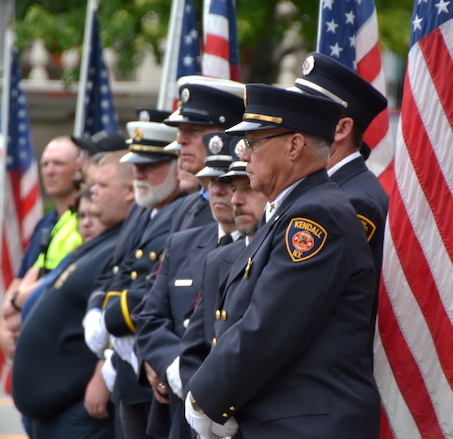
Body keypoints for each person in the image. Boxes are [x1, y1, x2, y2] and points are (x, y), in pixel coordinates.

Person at [183, 84, 380, 438]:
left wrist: (205, 396)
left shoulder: (315, 217)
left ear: (294, 145)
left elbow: (269, 325)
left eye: (254, 142)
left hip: (308, 425)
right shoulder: (290, 210)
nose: (243, 156)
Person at [12, 151, 135, 439]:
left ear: (129, 191)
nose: (92, 191)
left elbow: (129, 313)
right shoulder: (104, 241)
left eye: (101, 185)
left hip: (83, 410)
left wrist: (105, 370)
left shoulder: (127, 243)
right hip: (58, 409)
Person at [135, 132, 240, 439]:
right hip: (174, 404)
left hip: (224, 410)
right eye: (212, 182)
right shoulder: (182, 244)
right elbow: (149, 318)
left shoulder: (258, 246)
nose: (219, 191)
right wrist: (175, 369)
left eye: (229, 182)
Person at [84, 119, 184, 439]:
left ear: (176, 164)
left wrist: (113, 319)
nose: (138, 175)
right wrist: (97, 310)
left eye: (149, 166)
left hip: (153, 364)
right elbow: (118, 269)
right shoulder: (145, 208)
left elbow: (161, 284)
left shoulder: (183, 210)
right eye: (136, 166)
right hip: (131, 370)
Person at [293, 51, 390, 357]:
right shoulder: (335, 190)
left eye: (302, 111)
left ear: (341, 129)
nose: (290, 121)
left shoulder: (356, 202)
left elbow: (307, 305)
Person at [179, 136, 268, 411]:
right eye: (232, 189)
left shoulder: (280, 256)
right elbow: (195, 349)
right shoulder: (218, 260)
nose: (236, 200)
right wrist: (200, 404)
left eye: (249, 189)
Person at [0, 135, 83, 361]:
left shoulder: (85, 224)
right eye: (45, 164)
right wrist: (3, 326)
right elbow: (23, 275)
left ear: (79, 168)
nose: (49, 171)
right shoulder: (45, 223)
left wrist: (15, 304)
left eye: (59, 164)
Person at [164, 76, 245, 233]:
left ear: (227, 136)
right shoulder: (187, 205)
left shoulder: (242, 206)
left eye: (194, 131)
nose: (180, 140)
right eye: (180, 130)